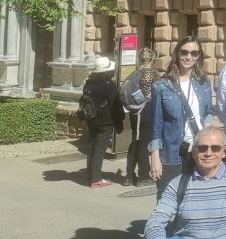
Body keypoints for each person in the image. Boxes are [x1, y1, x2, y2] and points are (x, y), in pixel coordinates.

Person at [149, 36, 215, 198]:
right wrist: (155, 158)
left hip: (198, 150)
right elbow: (155, 127)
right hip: (172, 152)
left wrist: (207, 132)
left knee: (195, 199)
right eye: (184, 52)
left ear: (199, 56)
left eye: (194, 53)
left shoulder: (203, 82)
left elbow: (208, 113)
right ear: (177, 54)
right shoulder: (162, 86)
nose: (189, 57)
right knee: (167, 201)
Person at [82, 55, 124, 187]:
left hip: (91, 119)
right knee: (100, 149)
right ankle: (96, 179)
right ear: (109, 71)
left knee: (92, 147)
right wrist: (119, 123)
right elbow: (115, 106)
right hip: (105, 122)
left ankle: (90, 174)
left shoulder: (89, 84)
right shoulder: (109, 86)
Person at [124, 47, 160, 186]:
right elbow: (152, 93)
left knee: (136, 141)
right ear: (152, 59)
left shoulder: (136, 72)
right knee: (143, 143)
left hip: (135, 110)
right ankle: (143, 176)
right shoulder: (152, 73)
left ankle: (129, 175)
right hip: (146, 109)